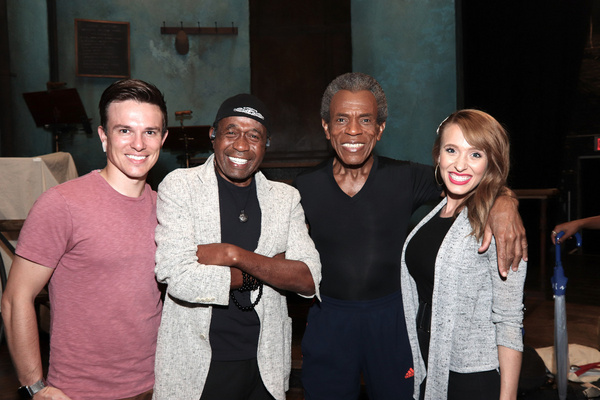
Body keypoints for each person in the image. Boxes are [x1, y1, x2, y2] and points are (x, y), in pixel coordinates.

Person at [294, 72, 528, 400]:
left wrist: (505, 201)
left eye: (365, 120)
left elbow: (471, 179)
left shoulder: (406, 177)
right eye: (341, 119)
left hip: (393, 323)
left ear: (380, 129)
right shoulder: (303, 188)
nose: (353, 130)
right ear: (326, 127)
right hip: (329, 320)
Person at [1, 79, 169, 400]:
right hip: (79, 391)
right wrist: (35, 387)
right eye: (124, 130)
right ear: (104, 137)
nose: (138, 144)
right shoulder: (63, 204)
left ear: (162, 138)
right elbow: (15, 299)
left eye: (149, 132)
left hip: (156, 385)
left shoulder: (166, 208)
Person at [152, 93, 321, 400]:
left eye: (254, 135)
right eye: (231, 132)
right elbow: (178, 277)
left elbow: (307, 279)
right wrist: (269, 267)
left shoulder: (285, 199)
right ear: (213, 135)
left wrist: (234, 255)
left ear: (266, 144)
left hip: (265, 364)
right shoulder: (180, 187)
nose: (242, 145)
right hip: (198, 366)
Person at [401, 109, 527, 400]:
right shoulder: (434, 212)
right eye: (451, 150)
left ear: (491, 162)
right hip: (429, 364)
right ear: (438, 155)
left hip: (471, 377)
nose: (460, 165)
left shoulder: (499, 225)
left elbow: (509, 321)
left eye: (475, 154)